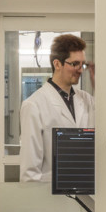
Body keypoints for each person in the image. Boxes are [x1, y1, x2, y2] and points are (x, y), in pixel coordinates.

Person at [19, 32, 94, 182]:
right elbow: (30, 173)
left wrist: (96, 82)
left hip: (86, 195)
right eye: (74, 64)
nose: (80, 70)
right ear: (57, 64)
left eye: (82, 64)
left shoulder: (86, 100)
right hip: (51, 198)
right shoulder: (34, 105)